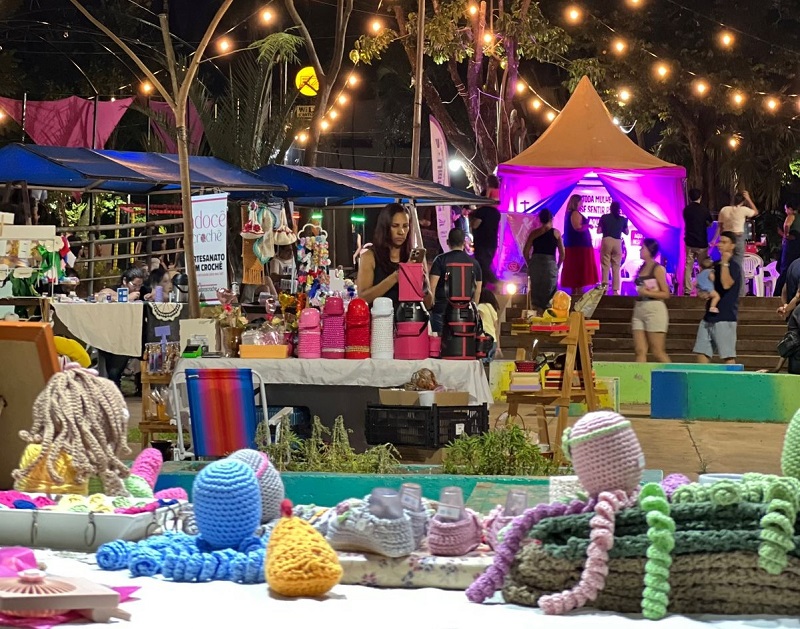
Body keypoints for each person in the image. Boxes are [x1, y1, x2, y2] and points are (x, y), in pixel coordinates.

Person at [357, 203, 431, 309]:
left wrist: (421, 282)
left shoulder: (413, 257)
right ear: (385, 227)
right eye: (395, 226)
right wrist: (396, 277)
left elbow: (429, 304)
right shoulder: (370, 256)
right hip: (380, 318)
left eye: (405, 226)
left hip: (410, 318)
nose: (401, 232)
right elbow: (363, 298)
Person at [693, 232, 742, 365]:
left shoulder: (733, 266)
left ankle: (732, 378)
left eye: (724, 242)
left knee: (727, 356)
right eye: (720, 242)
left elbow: (726, 284)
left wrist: (725, 262)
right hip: (709, 316)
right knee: (702, 352)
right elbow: (705, 285)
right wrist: (702, 293)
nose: (720, 245)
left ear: (732, 246)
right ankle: (703, 377)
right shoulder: (715, 265)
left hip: (725, 317)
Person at [96, 266, 145, 390]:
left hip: (130, 336)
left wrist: (151, 295)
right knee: (112, 370)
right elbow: (101, 295)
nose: (137, 289)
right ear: (124, 281)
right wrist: (126, 297)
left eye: (140, 285)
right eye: (134, 285)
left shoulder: (142, 291)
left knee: (115, 371)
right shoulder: (115, 290)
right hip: (111, 334)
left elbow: (156, 292)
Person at [429, 228, 482, 334]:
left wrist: (431, 306)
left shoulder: (440, 260)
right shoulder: (475, 263)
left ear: (448, 242)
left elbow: (432, 286)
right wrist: (474, 308)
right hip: (465, 312)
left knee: (439, 341)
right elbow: (478, 290)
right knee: (461, 341)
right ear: (464, 242)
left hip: (441, 310)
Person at [631, 238, 671, 363]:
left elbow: (666, 293)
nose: (640, 250)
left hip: (654, 309)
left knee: (657, 351)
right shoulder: (641, 267)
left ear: (650, 250)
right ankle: (640, 374)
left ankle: (673, 373)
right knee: (640, 350)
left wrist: (647, 292)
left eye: (643, 248)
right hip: (639, 308)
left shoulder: (657, 269)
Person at [522, 208, 564, 314]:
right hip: (550, 264)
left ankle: (537, 315)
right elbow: (562, 254)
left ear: (540, 219)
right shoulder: (556, 233)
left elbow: (525, 251)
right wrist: (557, 265)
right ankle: (548, 316)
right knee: (549, 292)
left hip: (535, 263)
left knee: (536, 292)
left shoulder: (534, 233)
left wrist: (530, 263)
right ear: (551, 218)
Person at [716, 191, 758, 297]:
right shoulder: (743, 210)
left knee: (725, 264)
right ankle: (740, 293)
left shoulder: (724, 210)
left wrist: (719, 240)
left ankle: (724, 291)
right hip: (738, 238)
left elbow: (720, 227)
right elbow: (755, 212)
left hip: (726, 238)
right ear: (742, 202)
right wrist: (748, 198)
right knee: (738, 265)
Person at [561, 194, 598, 295]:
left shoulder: (570, 213)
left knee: (577, 270)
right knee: (579, 270)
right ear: (576, 202)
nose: (582, 204)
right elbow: (577, 227)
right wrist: (588, 226)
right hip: (579, 247)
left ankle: (576, 292)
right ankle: (578, 292)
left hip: (577, 246)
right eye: (581, 202)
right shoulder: (574, 213)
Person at [470, 175, 501, 287]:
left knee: (482, 266)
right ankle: (484, 288)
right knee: (485, 265)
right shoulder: (497, 213)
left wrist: (472, 218)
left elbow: (475, 225)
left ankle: (496, 283)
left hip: (482, 243)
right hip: (492, 243)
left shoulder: (482, 211)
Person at [682, 188, 713, 295]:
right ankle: (704, 289)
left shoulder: (686, 210)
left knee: (688, 267)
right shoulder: (704, 210)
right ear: (700, 196)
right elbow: (710, 223)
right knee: (703, 267)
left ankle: (687, 290)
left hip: (689, 242)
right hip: (702, 242)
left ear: (690, 198)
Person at [598, 201, 629, 295]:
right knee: (616, 267)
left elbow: (599, 231)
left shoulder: (604, 217)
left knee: (605, 266)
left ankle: (605, 290)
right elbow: (627, 232)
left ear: (610, 208)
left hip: (606, 240)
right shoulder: (622, 219)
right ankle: (615, 290)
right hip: (617, 242)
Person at [774, 202, 800, 297]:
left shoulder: (791, 216)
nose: (785, 211)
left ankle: (778, 293)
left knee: (785, 269)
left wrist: (785, 235)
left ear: (790, 209)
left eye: (786, 209)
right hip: (798, 245)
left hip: (791, 246)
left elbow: (786, 225)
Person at [477, 288, 502, 361]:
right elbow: (496, 328)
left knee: (483, 363)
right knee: (490, 365)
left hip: (485, 340)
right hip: (493, 341)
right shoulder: (492, 308)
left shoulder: (481, 307)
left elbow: (479, 323)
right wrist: (498, 346)